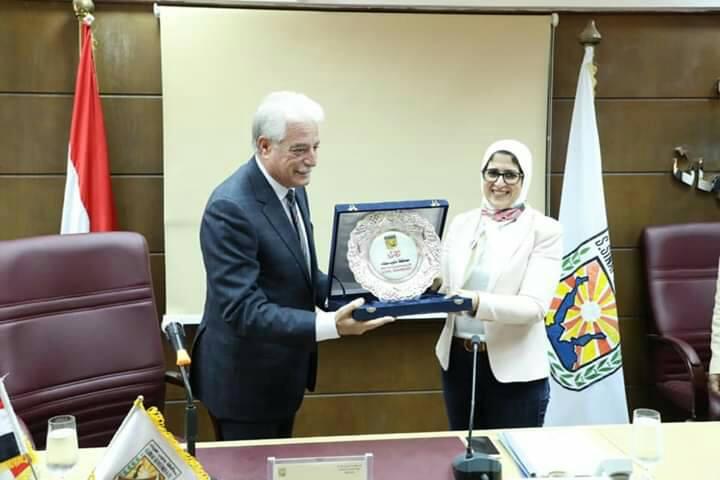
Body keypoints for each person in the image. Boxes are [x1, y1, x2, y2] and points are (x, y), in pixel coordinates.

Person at [191, 91, 393, 441]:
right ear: (265, 146)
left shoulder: (293, 188)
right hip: (243, 386)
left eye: (316, 147)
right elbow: (243, 310)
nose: (312, 160)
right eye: (300, 149)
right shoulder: (230, 208)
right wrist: (331, 325)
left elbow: (303, 274)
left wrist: (374, 288)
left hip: (283, 376)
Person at [434, 139, 562, 430]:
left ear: (525, 178)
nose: (499, 182)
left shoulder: (545, 230)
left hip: (515, 371)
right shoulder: (462, 223)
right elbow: (444, 285)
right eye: (492, 172)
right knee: (463, 451)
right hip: (458, 363)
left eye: (510, 175)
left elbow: (534, 307)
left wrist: (475, 302)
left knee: (510, 454)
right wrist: (416, 279)